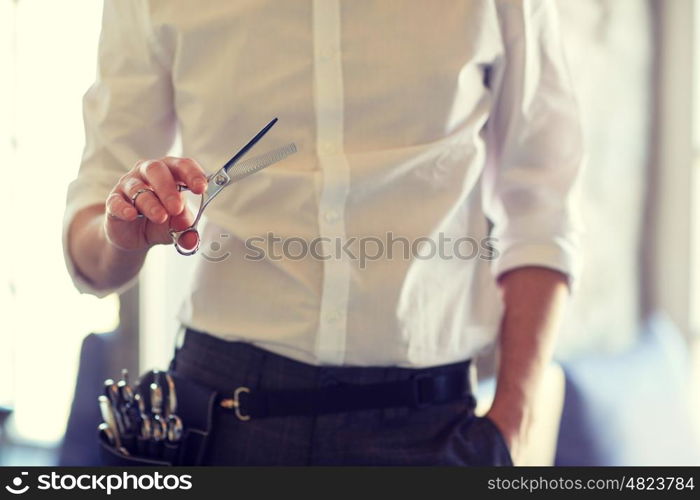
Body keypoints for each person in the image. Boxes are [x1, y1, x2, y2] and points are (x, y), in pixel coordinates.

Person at [64, 0, 582, 466]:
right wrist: (119, 231)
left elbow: (542, 207)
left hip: (431, 426)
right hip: (222, 417)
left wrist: (513, 427)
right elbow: (90, 244)